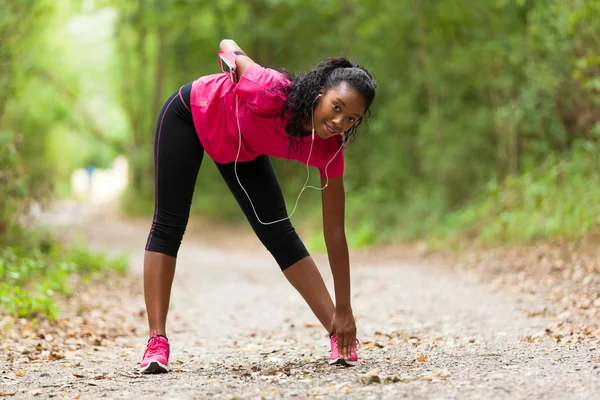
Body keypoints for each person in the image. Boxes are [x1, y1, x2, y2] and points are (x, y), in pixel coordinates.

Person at [140, 39, 377, 373]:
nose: (339, 122)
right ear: (321, 92)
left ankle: (338, 334)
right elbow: (227, 46)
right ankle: (156, 341)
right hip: (191, 114)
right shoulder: (270, 90)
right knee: (169, 224)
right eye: (336, 107)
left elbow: (335, 233)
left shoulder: (329, 149)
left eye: (351, 118)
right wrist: (234, 74)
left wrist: (345, 308)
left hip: (239, 150)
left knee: (280, 234)